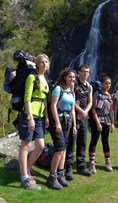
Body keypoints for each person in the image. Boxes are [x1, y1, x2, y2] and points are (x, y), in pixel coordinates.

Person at [18, 54, 49, 190]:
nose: (44, 64)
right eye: (42, 62)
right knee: (25, 145)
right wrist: (30, 118)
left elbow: (45, 100)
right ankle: (24, 177)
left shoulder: (45, 80)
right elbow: (27, 98)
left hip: (40, 117)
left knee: (40, 146)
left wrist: (46, 116)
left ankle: (27, 169)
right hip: (29, 115)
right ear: (37, 64)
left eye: (46, 62)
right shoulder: (32, 77)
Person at [47, 68, 77, 190]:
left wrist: (74, 125)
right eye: (70, 77)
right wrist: (57, 123)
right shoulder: (58, 89)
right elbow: (53, 106)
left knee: (64, 149)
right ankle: (52, 176)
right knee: (59, 148)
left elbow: (72, 109)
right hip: (58, 121)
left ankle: (60, 173)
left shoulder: (72, 92)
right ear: (64, 77)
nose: (72, 79)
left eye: (74, 77)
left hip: (68, 121)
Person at [65, 64, 93, 179]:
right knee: (71, 142)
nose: (85, 73)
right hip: (74, 117)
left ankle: (81, 166)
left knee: (82, 142)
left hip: (84, 117)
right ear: (78, 72)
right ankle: (69, 168)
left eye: (87, 71)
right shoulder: (74, 84)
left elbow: (90, 101)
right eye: (83, 71)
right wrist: (81, 111)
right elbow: (72, 101)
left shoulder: (89, 86)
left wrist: (85, 112)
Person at [88, 74, 114, 174]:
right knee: (94, 141)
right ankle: (92, 163)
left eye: (109, 83)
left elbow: (111, 110)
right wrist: (98, 123)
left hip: (107, 120)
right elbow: (93, 109)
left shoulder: (109, 95)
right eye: (106, 83)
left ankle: (108, 161)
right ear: (102, 84)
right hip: (98, 120)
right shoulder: (97, 94)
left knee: (105, 141)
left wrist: (112, 123)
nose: (108, 85)